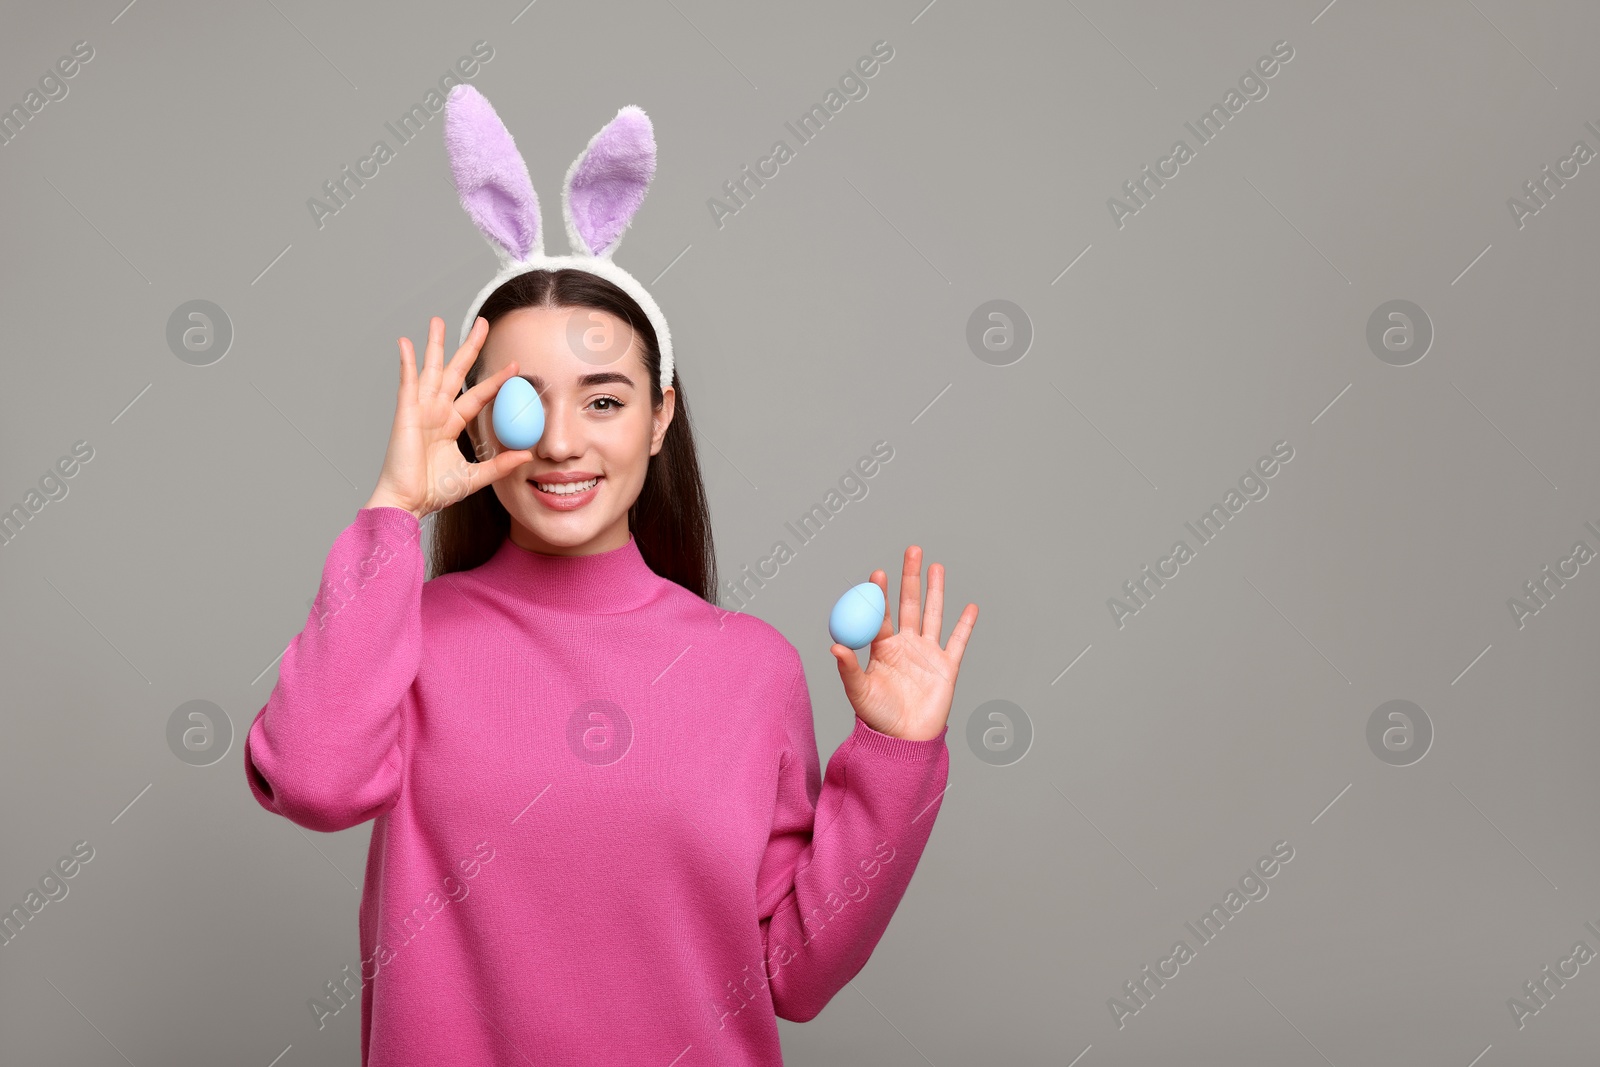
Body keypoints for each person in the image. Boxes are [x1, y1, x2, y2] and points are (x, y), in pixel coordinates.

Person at [243, 270, 980, 1065]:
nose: (561, 442)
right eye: (521, 400)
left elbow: (795, 977)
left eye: (604, 401)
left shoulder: (751, 666)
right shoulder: (405, 635)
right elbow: (314, 781)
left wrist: (895, 757)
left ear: (660, 415)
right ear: (476, 426)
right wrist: (392, 509)